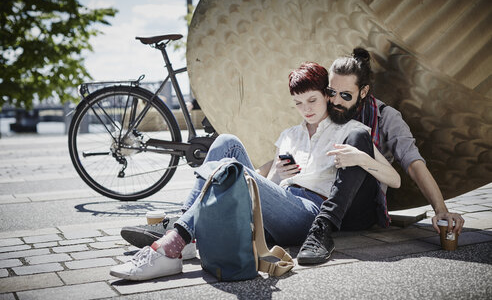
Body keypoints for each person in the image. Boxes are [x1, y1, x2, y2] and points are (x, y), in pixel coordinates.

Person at [110, 62, 400, 281]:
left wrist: (361, 158)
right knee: (226, 142)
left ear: (326, 95)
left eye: (312, 100)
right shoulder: (289, 135)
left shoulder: (348, 131)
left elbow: (394, 180)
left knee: (234, 170)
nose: (306, 109)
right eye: (299, 103)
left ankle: (171, 245)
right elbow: (265, 184)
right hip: (278, 203)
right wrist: (276, 176)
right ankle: (188, 236)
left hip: (308, 212)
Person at [296, 48, 466, 265]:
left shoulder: (386, 117)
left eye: (346, 95)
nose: (336, 101)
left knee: (358, 136)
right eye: (332, 92)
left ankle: (323, 229)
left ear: (363, 91)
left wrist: (441, 210)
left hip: (358, 207)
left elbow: (413, 163)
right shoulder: (324, 109)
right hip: (318, 197)